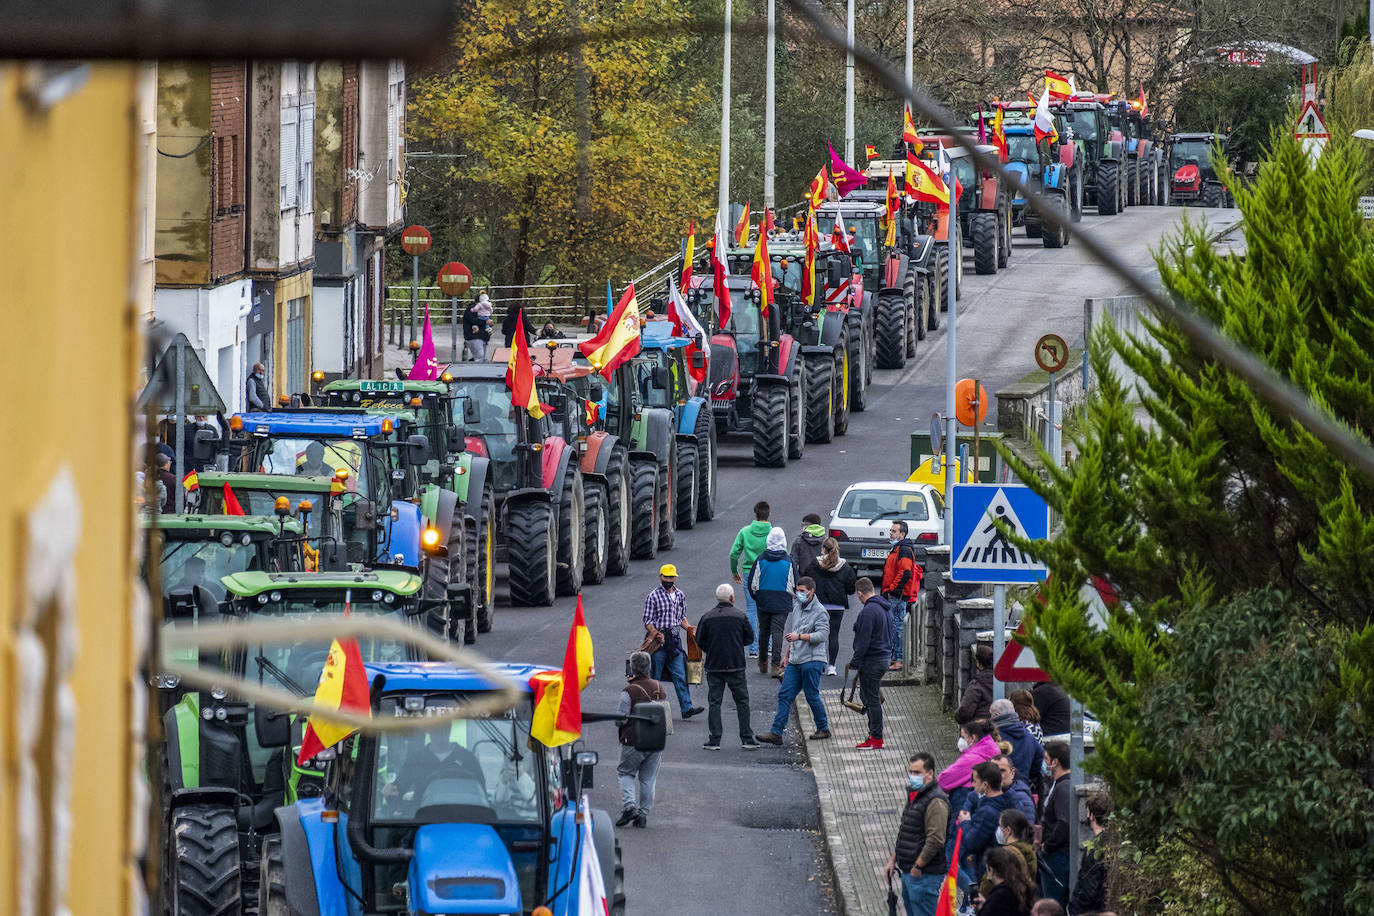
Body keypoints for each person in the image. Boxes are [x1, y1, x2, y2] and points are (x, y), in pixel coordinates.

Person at [755, 577, 830, 744]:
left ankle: (823, 727)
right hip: (795, 661)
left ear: (811, 592)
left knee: (811, 695)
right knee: (785, 695)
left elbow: (822, 635)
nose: (799, 594)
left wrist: (800, 637)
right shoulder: (797, 606)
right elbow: (793, 631)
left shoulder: (820, 611)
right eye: (797, 590)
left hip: (812, 660)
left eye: (802, 591)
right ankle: (776, 733)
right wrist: (787, 654)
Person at [696, 583, 758, 750]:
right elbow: (750, 638)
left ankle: (715, 739)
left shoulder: (707, 617)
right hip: (736, 665)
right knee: (742, 701)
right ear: (732, 598)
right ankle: (746, 737)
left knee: (715, 702)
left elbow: (700, 640)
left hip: (714, 666)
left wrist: (711, 649)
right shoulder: (740, 616)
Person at [886, 752, 949, 916]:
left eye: (917, 772)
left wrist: (918, 866)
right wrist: (894, 858)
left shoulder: (936, 801)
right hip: (910, 870)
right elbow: (907, 831)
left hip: (924, 874)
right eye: (911, 772)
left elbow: (935, 839)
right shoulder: (916, 795)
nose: (913, 776)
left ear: (930, 773)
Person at [641, 564, 703, 719]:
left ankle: (686, 708)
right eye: (666, 577)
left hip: (674, 641)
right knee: (654, 677)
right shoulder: (653, 596)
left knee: (681, 675)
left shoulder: (680, 595)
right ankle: (651, 708)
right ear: (660, 577)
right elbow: (647, 620)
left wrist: (689, 629)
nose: (669, 580)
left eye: (671, 577)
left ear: (675, 578)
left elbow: (681, 617)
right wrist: (655, 633)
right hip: (658, 643)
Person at [616, 651, 667, 827]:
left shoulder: (629, 691)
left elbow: (620, 719)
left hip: (633, 740)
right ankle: (643, 815)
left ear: (632, 667)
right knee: (648, 779)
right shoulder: (659, 687)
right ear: (649, 667)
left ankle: (629, 806)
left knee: (626, 772)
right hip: (655, 740)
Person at [388, 724, 486, 810]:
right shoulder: (416, 760)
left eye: (444, 727)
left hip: (463, 819)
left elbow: (481, 791)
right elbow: (398, 788)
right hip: (423, 819)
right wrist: (391, 790)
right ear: (428, 730)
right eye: (436, 728)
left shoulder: (467, 759)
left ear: (449, 728)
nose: (440, 733)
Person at [955, 761, 1018, 880]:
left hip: (989, 872)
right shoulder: (1010, 801)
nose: (972, 785)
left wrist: (965, 822)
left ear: (985, 785)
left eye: (975, 781)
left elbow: (971, 844)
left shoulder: (987, 812)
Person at [747, 526, 795, 678]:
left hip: (764, 599)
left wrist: (757, 598)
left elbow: (751, 583)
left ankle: (762, 663)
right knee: (777, 632)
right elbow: (795, 582)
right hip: (782, 600)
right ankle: (775, 666)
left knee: (764, 631)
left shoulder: (761, 559)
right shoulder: (789, 561)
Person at [804, 536, 856, 675]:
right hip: (837, 606)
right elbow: (851, 590)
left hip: (818, 605)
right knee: (834, 635)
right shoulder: (844, 566)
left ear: (823, 549)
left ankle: (818, 664)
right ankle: (831, 666)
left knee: (817, 635)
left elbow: (806, 580)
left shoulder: (814, 564)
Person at [851, 577, 892, 750]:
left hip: (872, 660)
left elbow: (863, 640)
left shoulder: (868, 611)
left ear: (860, 593)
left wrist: (856, 660)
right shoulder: (885, 609)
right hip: (883, 657)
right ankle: (874, 734)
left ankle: (875, 737)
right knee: (868, 696)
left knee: (871, 699)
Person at [729, 501, 773, 658]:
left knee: (752, 610)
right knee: (768, 609)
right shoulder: (773, 532)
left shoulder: (745, 531)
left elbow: (734, 553)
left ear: (755, 514)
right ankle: (768, 647)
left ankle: (753, 649)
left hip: (749, 572)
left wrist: (735, 571)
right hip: (768, 573)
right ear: (768, 514)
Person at [881, 520, 923, 670]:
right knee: (894, 626)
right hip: (896, 594)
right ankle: (896, 657)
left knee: (897, 626)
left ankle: (899, 659)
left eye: (894, 531)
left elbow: (905, 572)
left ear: (902, 534)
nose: (890, 533)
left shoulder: (903, 550)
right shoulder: (899, 549)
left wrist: (893, 589)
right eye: (891, 530)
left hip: (898, 595)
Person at [938, 719, 1001, 820]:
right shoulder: (991, 750)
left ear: (973, 738)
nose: (960, 741)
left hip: (962, 806)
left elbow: (943, 780)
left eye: (963, 737)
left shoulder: (971, 758)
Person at [1037, 741, 1072, 903]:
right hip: (1054, 854)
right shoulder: (1057, 784)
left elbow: (1063, 822)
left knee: (1052, 903)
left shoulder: (1063, 787)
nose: (1044, 763)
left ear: (1055, 762)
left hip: (1056, 856)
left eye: (1046, 758)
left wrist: (1048, 846)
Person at [1067, 793, 1112, 915]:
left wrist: (1075, 910)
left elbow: (1088, 887)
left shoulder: (1095, 848)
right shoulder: (1114, 842)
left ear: (1091, 815)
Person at [980, 809, 1038, 901]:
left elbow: (986, 887)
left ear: (1008, 830)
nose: (998, 829)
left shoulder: (1003, 855)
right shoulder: (1029, 850)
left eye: (1000, 825)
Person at [990, 697, 1043, 786]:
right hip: (1022, 787)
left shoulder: (993, 737)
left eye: (991, 714)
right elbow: (1039, 759)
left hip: (998, 788)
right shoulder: (1029, 736)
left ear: (997, 714)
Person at [978, 845, 1037, 916]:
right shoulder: (1020, 889)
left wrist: (985, 908)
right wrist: (986, 905)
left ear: (991, 870)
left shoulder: (999, 897)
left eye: (987, 869)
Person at [956, 645, 995, 725]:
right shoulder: (1002, 681)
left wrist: (957, 716)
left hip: (980, 730)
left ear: (978, 663)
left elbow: (965, 711)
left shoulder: (976, 685)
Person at [992, 754, 1037, 823]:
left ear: (1012, 773)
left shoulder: (1021, 796)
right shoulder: (985, 793)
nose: (997, 774)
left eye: (1002, 771)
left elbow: (1026, 828)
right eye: (993, 770)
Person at [463, 294, 494, 361]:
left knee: (480, 357)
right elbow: (473, 320)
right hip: (474, 336)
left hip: (481, 336)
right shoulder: (472, 309)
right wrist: (486, 322)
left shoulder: (483, 309)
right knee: (479, 357)